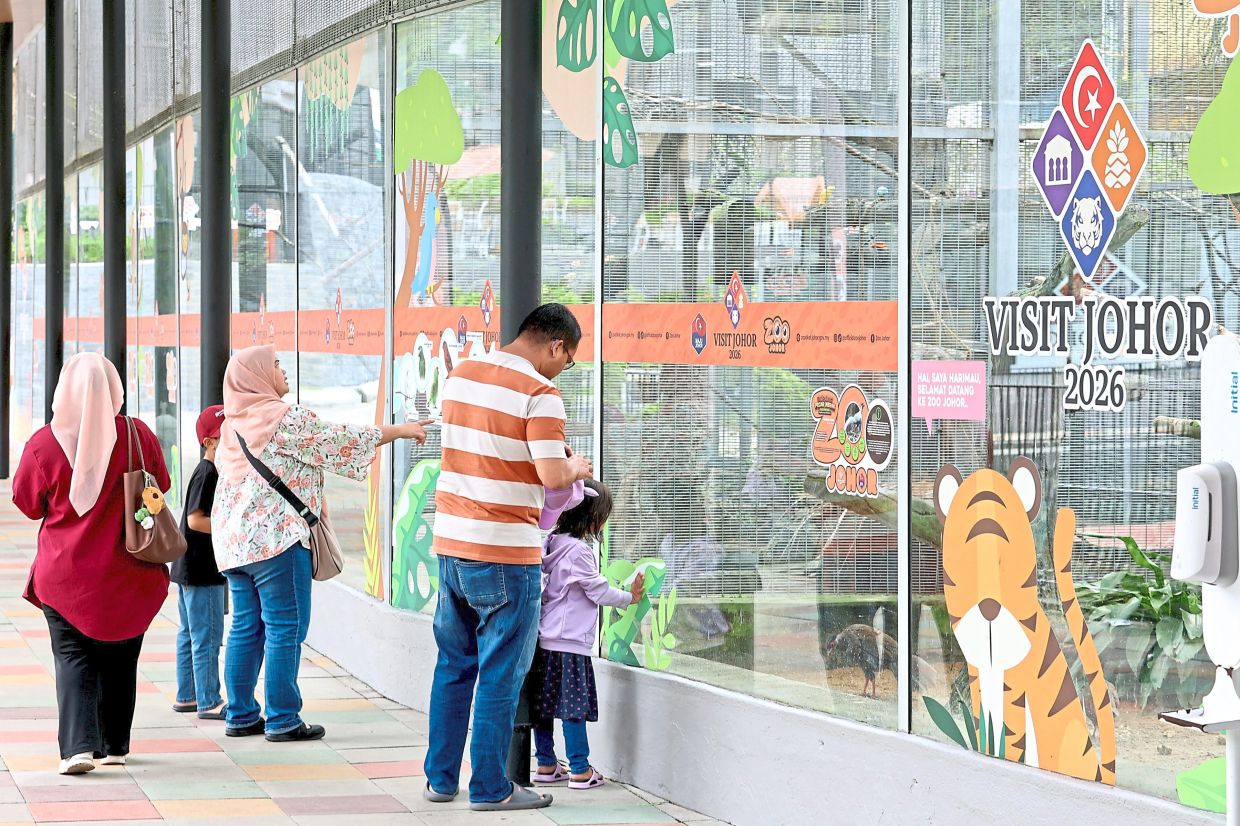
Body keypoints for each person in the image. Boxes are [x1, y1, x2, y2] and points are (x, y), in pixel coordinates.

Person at [211, 345, 430, 742]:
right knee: (285, 627)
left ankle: (240, 714)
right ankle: (282, 719)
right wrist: (399, 430)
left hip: (235, 546)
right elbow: (339, 440)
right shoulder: (283, 418)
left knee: (245, 627)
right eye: (275, 365)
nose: (283, 370)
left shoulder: (232, 425)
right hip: (276, 543)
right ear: (258, 377)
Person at [425, 303, 592, 812]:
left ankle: (440, 779)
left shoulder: (461, 373)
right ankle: (491, 788)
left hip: (451, 543)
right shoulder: (541, 394)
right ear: (556, 345)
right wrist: (576, 464)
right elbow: (550, 475)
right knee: (501, 672)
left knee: (453, 665)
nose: (563, 368)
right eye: (568, 359)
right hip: (504, 552)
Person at [11, 353, 172, 775]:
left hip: (66, 578)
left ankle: (78, 748)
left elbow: (28, 503)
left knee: (73, 657)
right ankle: (114, 743)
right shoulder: (139, 435)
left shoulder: (44, 444)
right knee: (122, 657)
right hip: (130, 572)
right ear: (115, 389)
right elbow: (162, 484)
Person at [530, 479, 643, 789]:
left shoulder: (551, 542)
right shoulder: (579, 551)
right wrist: (628, 597)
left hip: (545, 640)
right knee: (573, 708)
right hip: (570, 644)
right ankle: (579, 769)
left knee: (543, 706)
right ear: (594, 519)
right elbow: (597, 590)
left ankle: (546, 763)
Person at [171, 404, 227, 720]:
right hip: (202, 568)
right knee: (207, 636)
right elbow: (195, 520)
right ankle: (209, 700)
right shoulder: (209, 472)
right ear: (209, 442)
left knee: (190, 633)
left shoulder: (204, 470)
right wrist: (229, 527)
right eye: (225, 435)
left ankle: (187, 695)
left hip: (188, 567)